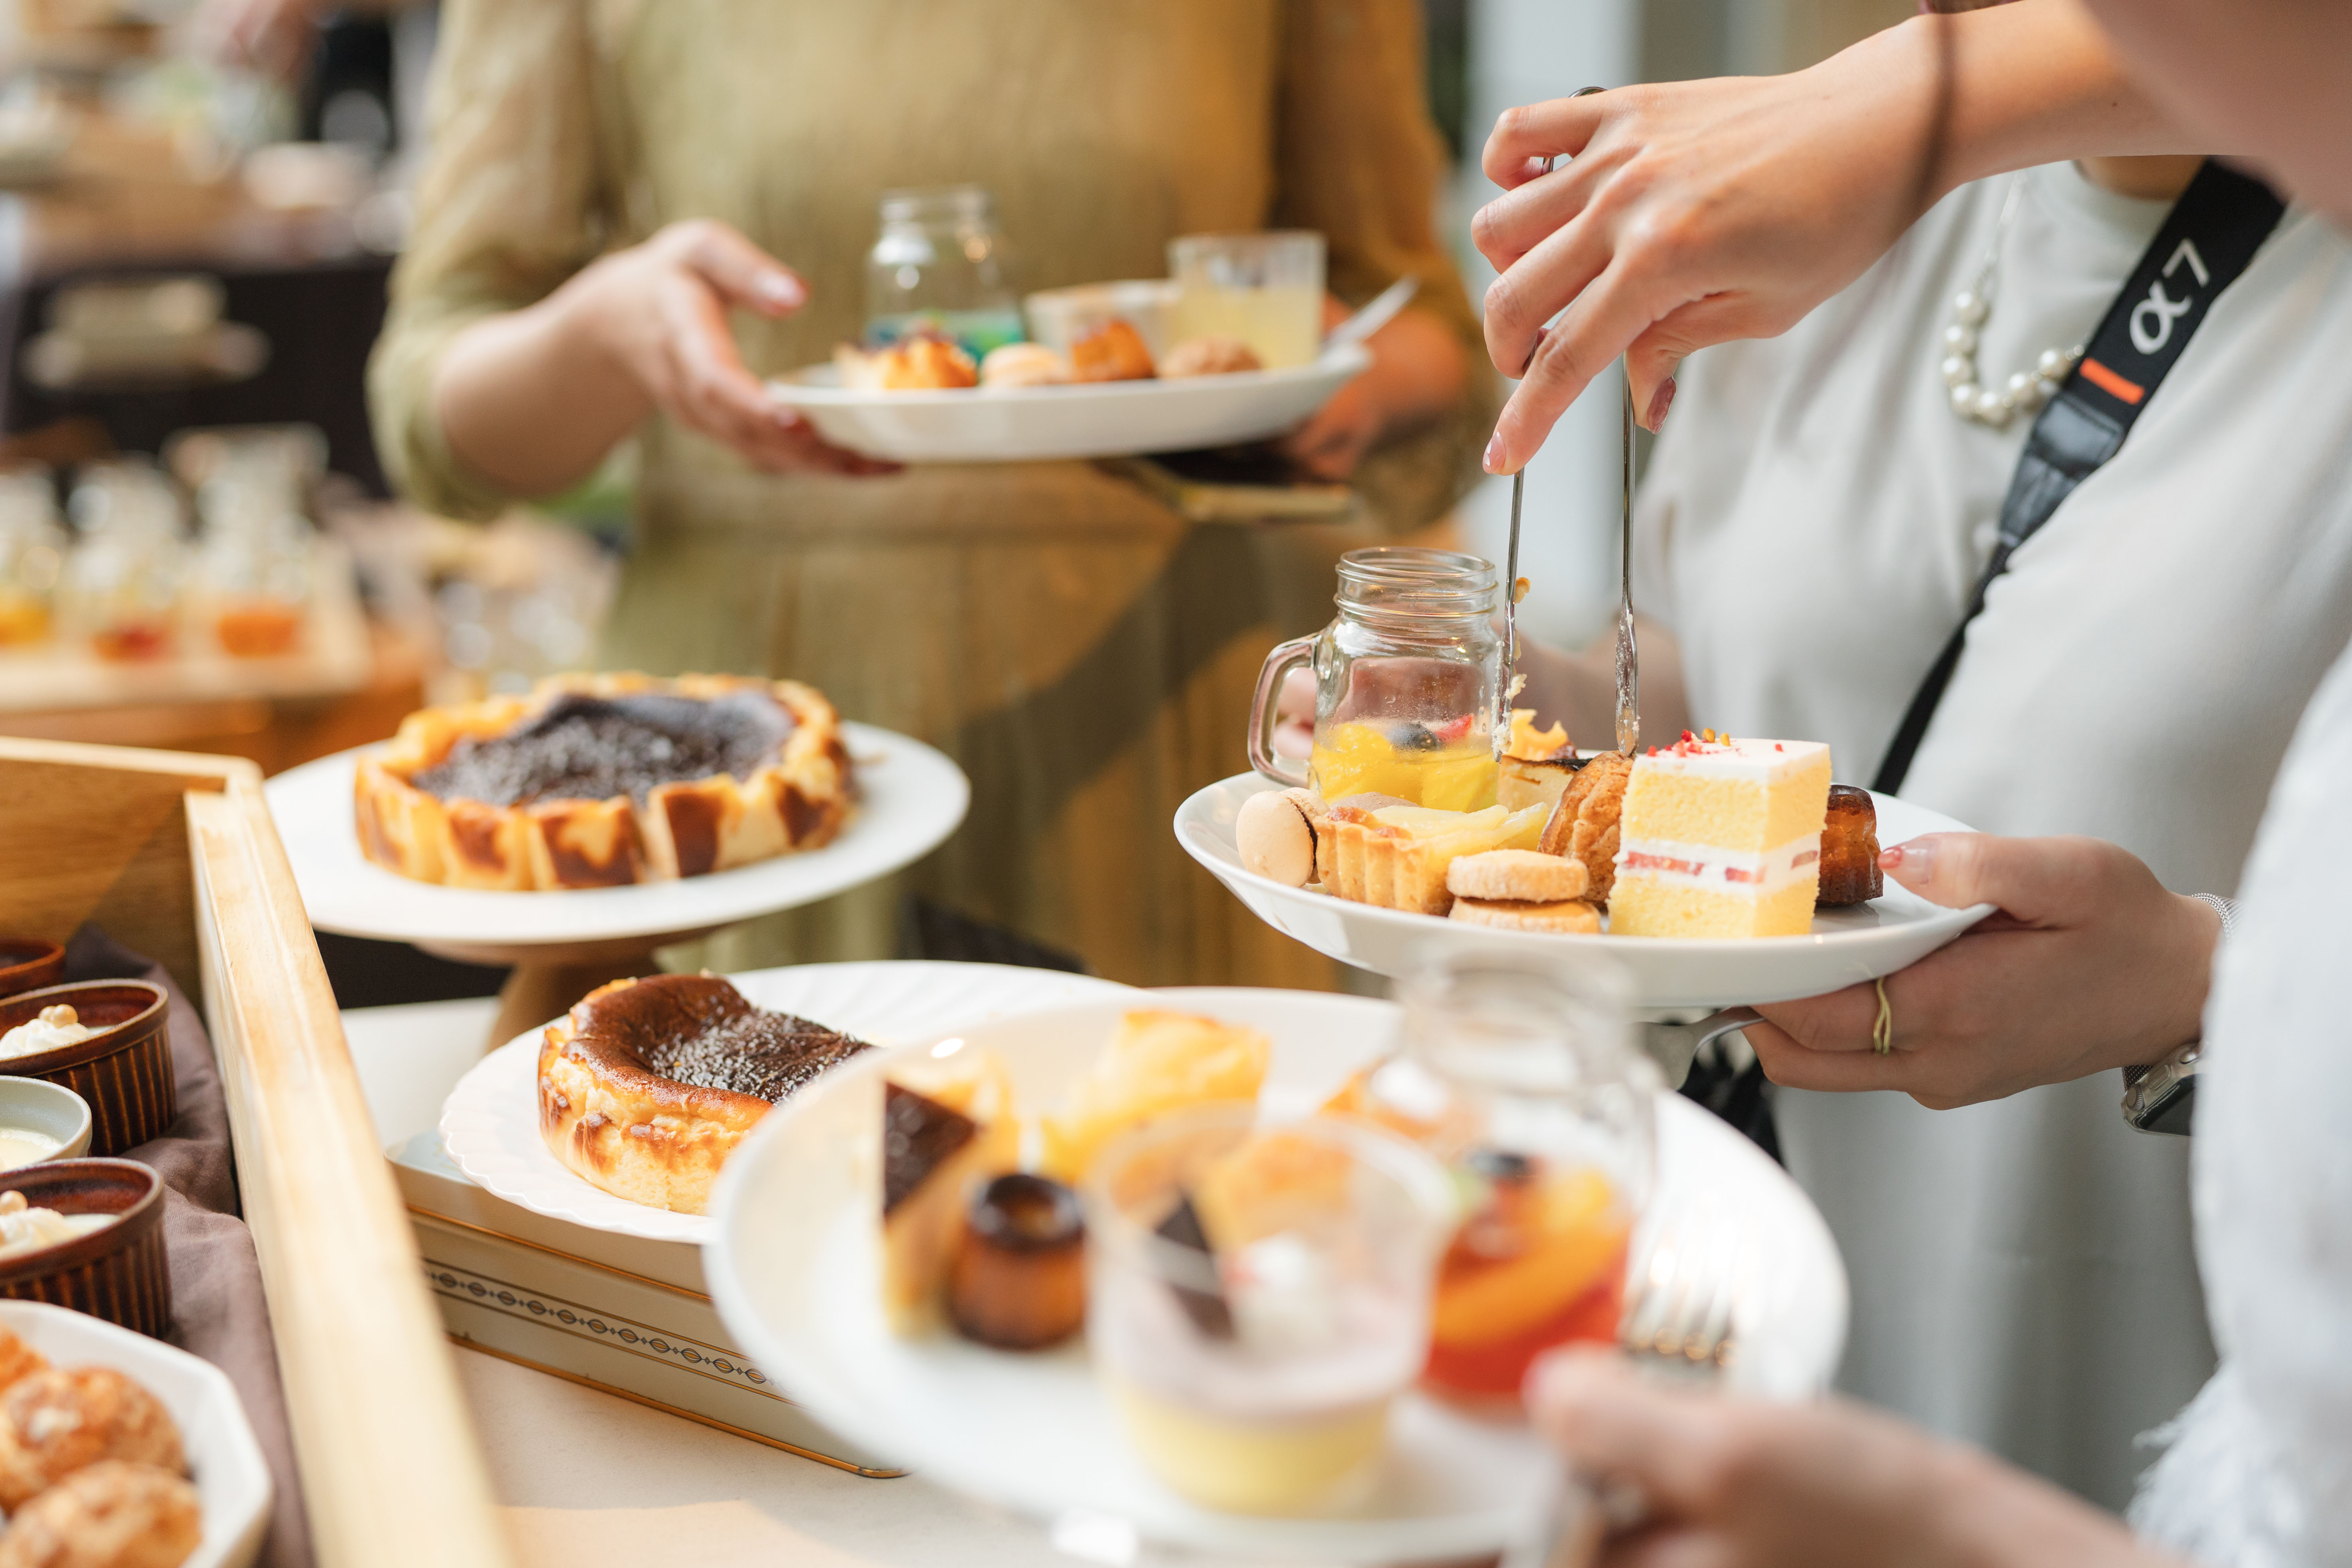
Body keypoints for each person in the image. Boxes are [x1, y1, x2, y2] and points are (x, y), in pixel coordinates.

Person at [1493, 1, 2352, 1561]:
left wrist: (2191, 991)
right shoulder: (1794, 206)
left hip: (2130, 1365)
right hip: (1743, 1293)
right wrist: (1516, 714)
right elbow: (1733, 695)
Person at [368, 0, 1493, 987]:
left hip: (1163, 713)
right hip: (746, 764)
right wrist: (605, 332)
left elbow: (1429, 329)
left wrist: (1321, 383)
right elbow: (433, 415)